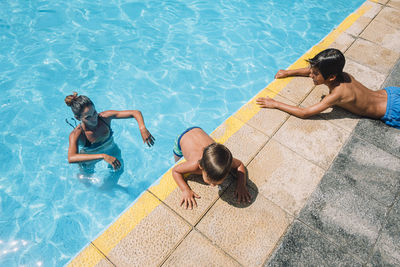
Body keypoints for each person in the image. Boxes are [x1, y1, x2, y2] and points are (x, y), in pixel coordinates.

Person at [256, 48, 399, 129]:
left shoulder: (337, 94)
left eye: (315, 74)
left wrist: (275, 104)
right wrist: (288, 72)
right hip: (391, 94)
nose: (310, 74)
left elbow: (305, 113)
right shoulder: (343, 75)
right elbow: (312, 69)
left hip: (392, 110)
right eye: (312, 71)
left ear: (331, 78)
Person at [65, 92, 155, 171]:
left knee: (119, 170)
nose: (94, 118)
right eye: (88, 117)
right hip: (90, 158)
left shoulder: (105, 117)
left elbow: (135, 112)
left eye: (94, 113)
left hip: (111, 149)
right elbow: (71, 157)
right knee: (87, 183)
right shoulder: (77, 134)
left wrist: (142, 128)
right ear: (78, 118)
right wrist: (103, 156)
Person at [172, 127, 251, 209]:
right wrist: (185, 190)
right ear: (201, 167)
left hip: (198, 131)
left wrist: (241, 185)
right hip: (182, 139)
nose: (212, 185)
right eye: (210, 181)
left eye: (216, 183)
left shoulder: (226, 161)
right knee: (177, 161)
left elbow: (239, 165)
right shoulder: (195, 165)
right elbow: (175, 171)